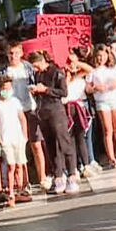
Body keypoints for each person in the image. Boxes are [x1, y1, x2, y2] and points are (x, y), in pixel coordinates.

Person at [28, 52, 79, 194]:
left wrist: (46, 90)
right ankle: (58, 176)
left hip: (56, 111)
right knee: (50, 146)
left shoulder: (56, 72)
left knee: (64, 142)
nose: (36, 69)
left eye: (36, 65)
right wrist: (36, 91)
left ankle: (72, 175)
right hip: (42, 112)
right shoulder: (37, 75)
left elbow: (63, 92)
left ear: (42, 61)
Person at [2, 43, 46, 190]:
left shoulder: (27, 67)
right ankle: (24, 182)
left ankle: (42, 178)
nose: (12, 56)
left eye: (15, 53)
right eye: (10, 53)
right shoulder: (3, 70)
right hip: (13, 111)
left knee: (36, 144)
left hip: (30, 107)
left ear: (21, 53)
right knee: (19, 147)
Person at [0, 78, 30, 206]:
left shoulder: (15, 101)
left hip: (18, 137)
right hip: (6, 139)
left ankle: (20, 190)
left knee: (20, 164)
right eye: (5, 88)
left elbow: (22, 118)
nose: (7, 91)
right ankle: (11, 192)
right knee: (11, 166)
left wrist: (25, 135)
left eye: (9, 88)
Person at [88, 44, 116, 169]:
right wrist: (95, 88)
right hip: (102, 101)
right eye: (98, 56)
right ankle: (111, 158)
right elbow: (88, 88)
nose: (100, 58)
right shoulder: (93, 71)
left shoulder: (114, 68)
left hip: (115, 99)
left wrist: (115, 84)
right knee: (107, 129)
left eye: (103, 55)